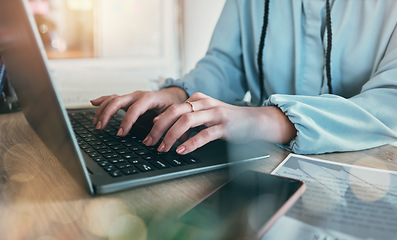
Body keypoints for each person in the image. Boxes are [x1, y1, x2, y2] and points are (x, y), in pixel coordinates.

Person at [91, 0, 397, 155]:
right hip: (265, 165)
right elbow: (226, 62)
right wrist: (177, 94)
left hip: (366, 175)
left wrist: (266, 120)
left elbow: (390, 99)